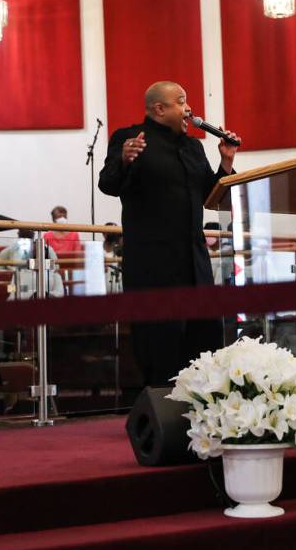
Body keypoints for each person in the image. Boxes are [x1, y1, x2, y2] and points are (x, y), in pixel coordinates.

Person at [98, 80, 239, 385]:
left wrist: (226, 163)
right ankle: (162, 415)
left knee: (206, 343)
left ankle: (205, 414)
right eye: (181, 101)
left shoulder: (194, 147)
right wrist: (123, 159)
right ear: (159, 109)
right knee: (160, 346)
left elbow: (211, 197)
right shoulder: (128, 138)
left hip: (195, 265)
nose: (189, 109)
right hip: (153, 268)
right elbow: (108, 184)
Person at [0, 229, 65, 299]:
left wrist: (38, 265)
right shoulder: (18, 273)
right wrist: (31, 293)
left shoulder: (53, 274)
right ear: (18, 234)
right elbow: (11, 290)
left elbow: (56, 266)